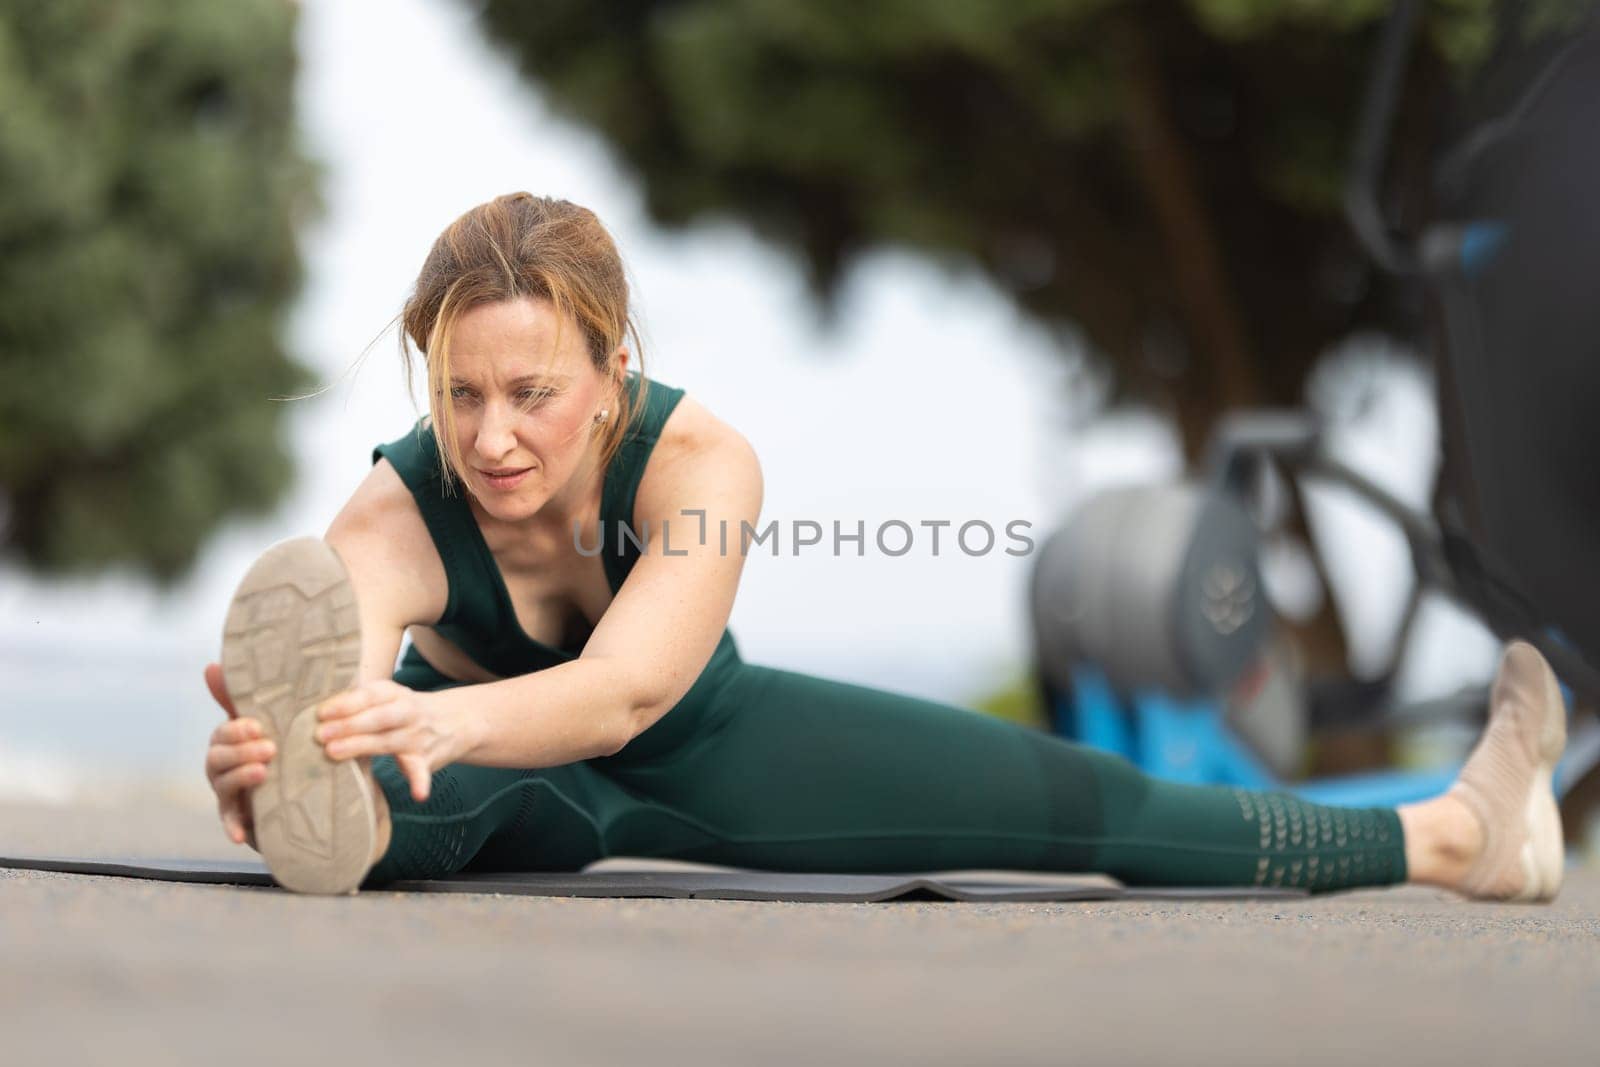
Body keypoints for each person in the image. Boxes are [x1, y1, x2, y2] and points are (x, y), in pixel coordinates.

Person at [202, 193, 1568, 899]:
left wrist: (434, 727)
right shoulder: (393, 516)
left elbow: (628, 693)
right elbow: (351, 682)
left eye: (533, 393)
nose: (491, 437)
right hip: (490, 782)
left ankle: (1459, 837)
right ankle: (363, 831)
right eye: (460, 396)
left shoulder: (701, 464)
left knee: (1092, 807)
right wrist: (291, 768)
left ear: (613, 370)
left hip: (702, 744)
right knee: (391, 804)